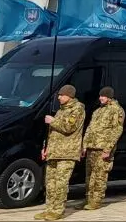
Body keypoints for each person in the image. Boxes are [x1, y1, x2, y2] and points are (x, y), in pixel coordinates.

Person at [36, 85, 85, 221]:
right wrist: (46, 148)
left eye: (61, 95)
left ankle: (58, 210)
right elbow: (52, 133)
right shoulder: (60, 110)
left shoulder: (77, 109)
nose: (59, 97)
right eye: (59, 95)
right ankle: (49, 209)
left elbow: (69, 127)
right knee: (50, 182)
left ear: (69, 96)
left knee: (60, 183)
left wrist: (53, 121)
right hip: (54, 151)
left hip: (67, 153)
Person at [81, 86, 124, 211]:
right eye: (100, 96)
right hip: (92, 147)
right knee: (89, 176)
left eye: (103, 96)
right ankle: (88, 199)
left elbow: (116, 130)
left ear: (109, 97)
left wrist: (108, 149)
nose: (100, 98)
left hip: (103, 149)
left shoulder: (116, 110)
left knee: (100, 176)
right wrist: (84, 146)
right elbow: (89, 129)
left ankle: (96, 200)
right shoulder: (97, 111)